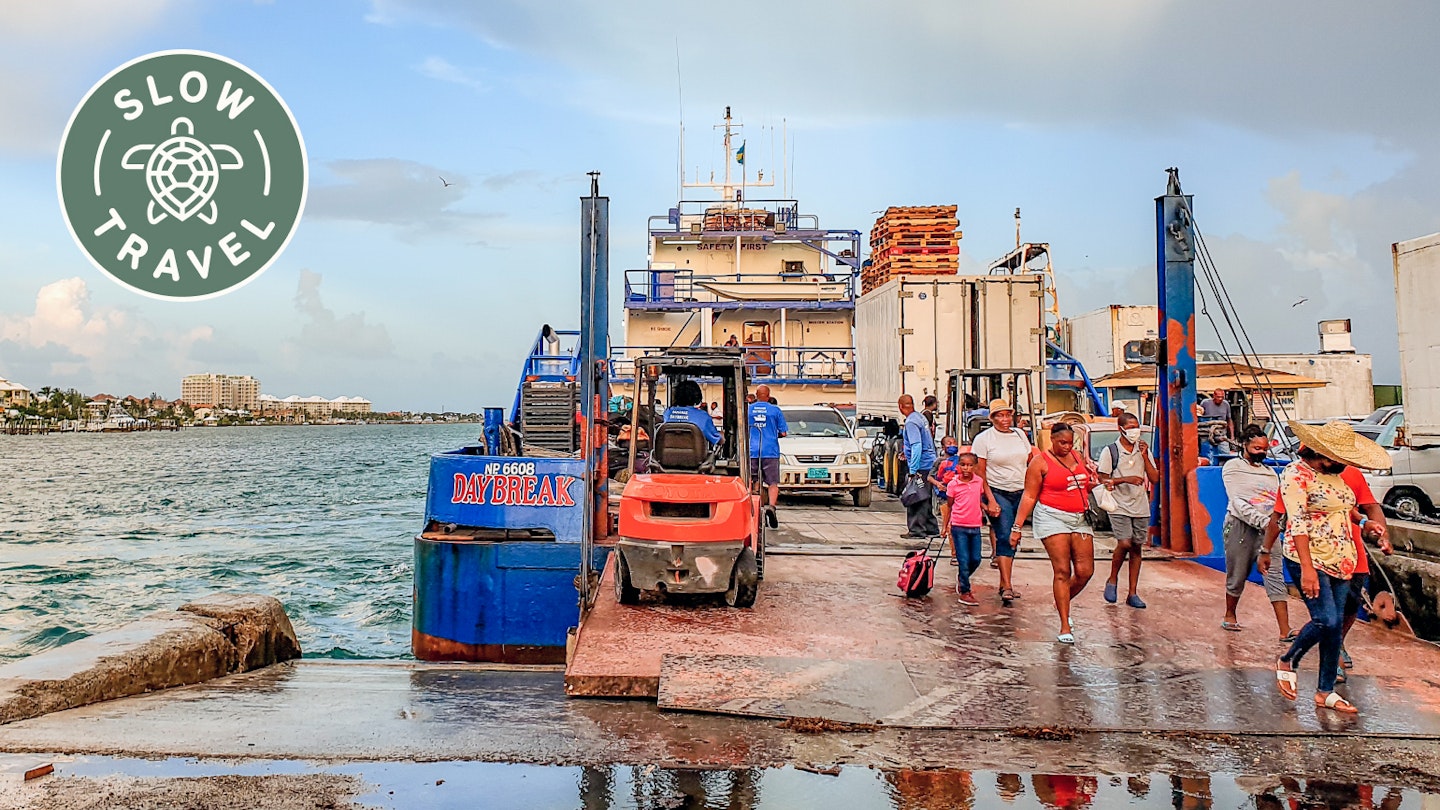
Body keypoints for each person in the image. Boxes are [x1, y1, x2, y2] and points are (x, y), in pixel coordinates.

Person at [1273, 420, 1391, 715]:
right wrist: (1309, 570)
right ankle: (1289, 659)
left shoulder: (1334, 477)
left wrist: (1365, 522)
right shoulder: (1295, 476)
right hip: (1307, 557)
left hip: (1342, 556)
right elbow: (1296, 521)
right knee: (1325, 619)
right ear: (1323, 454)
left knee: (1335, 625)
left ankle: (1325, 690)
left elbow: (1343, 506)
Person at [1012, 422, 1098, 644]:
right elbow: (1030, 495)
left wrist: (1094, 484)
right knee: (1062, 570)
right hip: (1052, 516)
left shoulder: (1078, 456)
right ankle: (1064, 623)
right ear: (1052, 439)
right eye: (1062, 442)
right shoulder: (1040, 462)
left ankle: (1062, 600)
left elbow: (1082, 484)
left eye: (1070, 443)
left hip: (1079, 517)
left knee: (1085, 571)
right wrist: (1017, 527)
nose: (1067, 447)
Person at [1220, 425, 1285, 633]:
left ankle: (1284, 629)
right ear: (1245, 445)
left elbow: (1277, 502)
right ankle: (1230, 613)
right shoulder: (1232, 468)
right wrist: (1261, 521)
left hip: (1269, 528)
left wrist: (1275, 524)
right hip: (1240, 526)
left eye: (1265, 449)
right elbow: (1237, 501)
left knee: (1275, 574)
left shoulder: (1270, 473)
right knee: (1237, 573)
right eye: (1257, 448)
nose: (1262, 453)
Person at [971, 400, 1032, 603]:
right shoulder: (984, 439)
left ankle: (1004, 580)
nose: (1004, 419)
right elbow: (980, 471)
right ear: (992, 418)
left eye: (1007, 415)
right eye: (1000, 415)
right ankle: (1006, 585)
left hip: (1020, 491)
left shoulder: (1020, 435)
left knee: (1015, 536)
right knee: (1005, 535)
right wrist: (990, 499)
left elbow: (1031, 459)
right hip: (997, 491)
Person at [1098, 413, 1158, 609]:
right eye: (1130, 426)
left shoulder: (1143, 450)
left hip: (1140, 505)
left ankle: (1132, 592)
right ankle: (1113, 578)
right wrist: (1124, 479)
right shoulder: (1111, 451)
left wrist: (1144, 456)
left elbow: (1155, 477)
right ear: (1121, 428)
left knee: (1137, 546)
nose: (1134, 430)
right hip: (1118, 504)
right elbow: (1102, 478)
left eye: (1136, 426)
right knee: (1124, 542)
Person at [944, 451, 1000, 606]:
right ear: (958, 466)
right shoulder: (953, 485)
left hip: (975, 526)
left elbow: (977, 499)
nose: (966, 468)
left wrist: (986, 507)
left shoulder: (978, 482)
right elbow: (949, 506)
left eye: (969, 465)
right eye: (963, 465)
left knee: (976, 559)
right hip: (958, 526)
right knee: (963, 559)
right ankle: (965, 591)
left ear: (975, 467)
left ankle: (962, 578)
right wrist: (945, 526)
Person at [899, 394, 938, 539]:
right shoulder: (920, 417)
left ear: (901, 407)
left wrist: (913, 470)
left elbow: (917, 445)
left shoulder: (910, 422)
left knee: (916, 497)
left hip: (921, 465)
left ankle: (917, 530)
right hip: (930, 463)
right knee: (926, 496)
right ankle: (931, 527)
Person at [747, 384, 787, 524]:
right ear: (769, 396)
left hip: (752, 451)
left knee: (754, 481)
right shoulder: (775, 410)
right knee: (772, 482)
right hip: (770, 450)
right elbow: (783, 432)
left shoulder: (748, 410)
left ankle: (756, 507)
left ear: (756, 395)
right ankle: (771, 506)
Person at [661, 379, 721, 445]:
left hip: (669, 454)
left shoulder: (668, 413)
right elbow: (717, 440)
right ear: (697, 396)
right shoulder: (703, 416)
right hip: (697, 455)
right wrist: (722, 436)